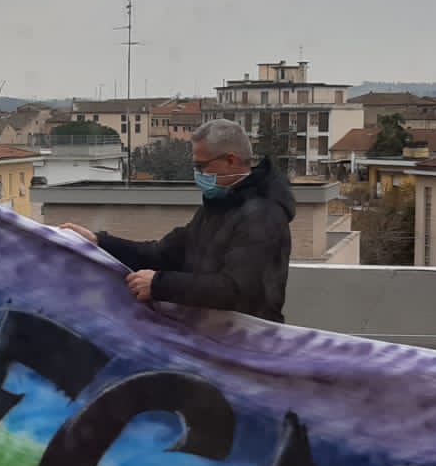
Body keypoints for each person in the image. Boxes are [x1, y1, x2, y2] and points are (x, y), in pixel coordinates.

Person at [58, 118, 295, 322]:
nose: (198, 175)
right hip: (213, 337)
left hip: (246, 345)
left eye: (201, 166)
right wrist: (98, 242)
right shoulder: (219, 206)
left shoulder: (263, 216)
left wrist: (160, 285)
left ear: (230, 160)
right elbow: (161, 254)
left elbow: (238, 291)